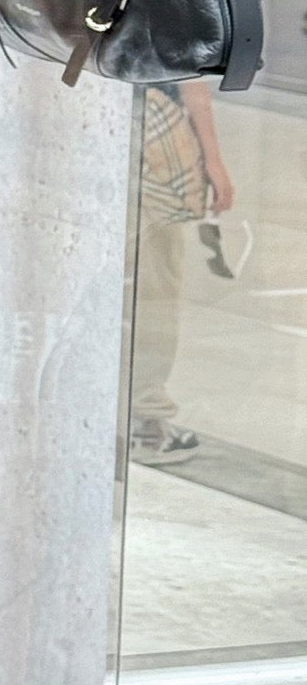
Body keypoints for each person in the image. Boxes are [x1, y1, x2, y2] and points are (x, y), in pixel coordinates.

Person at [130, 79, 236, 466]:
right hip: (153, 138)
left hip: (98, 124)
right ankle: (144, 423)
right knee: (152, 291)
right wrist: (213, 160)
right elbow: (191, 79)